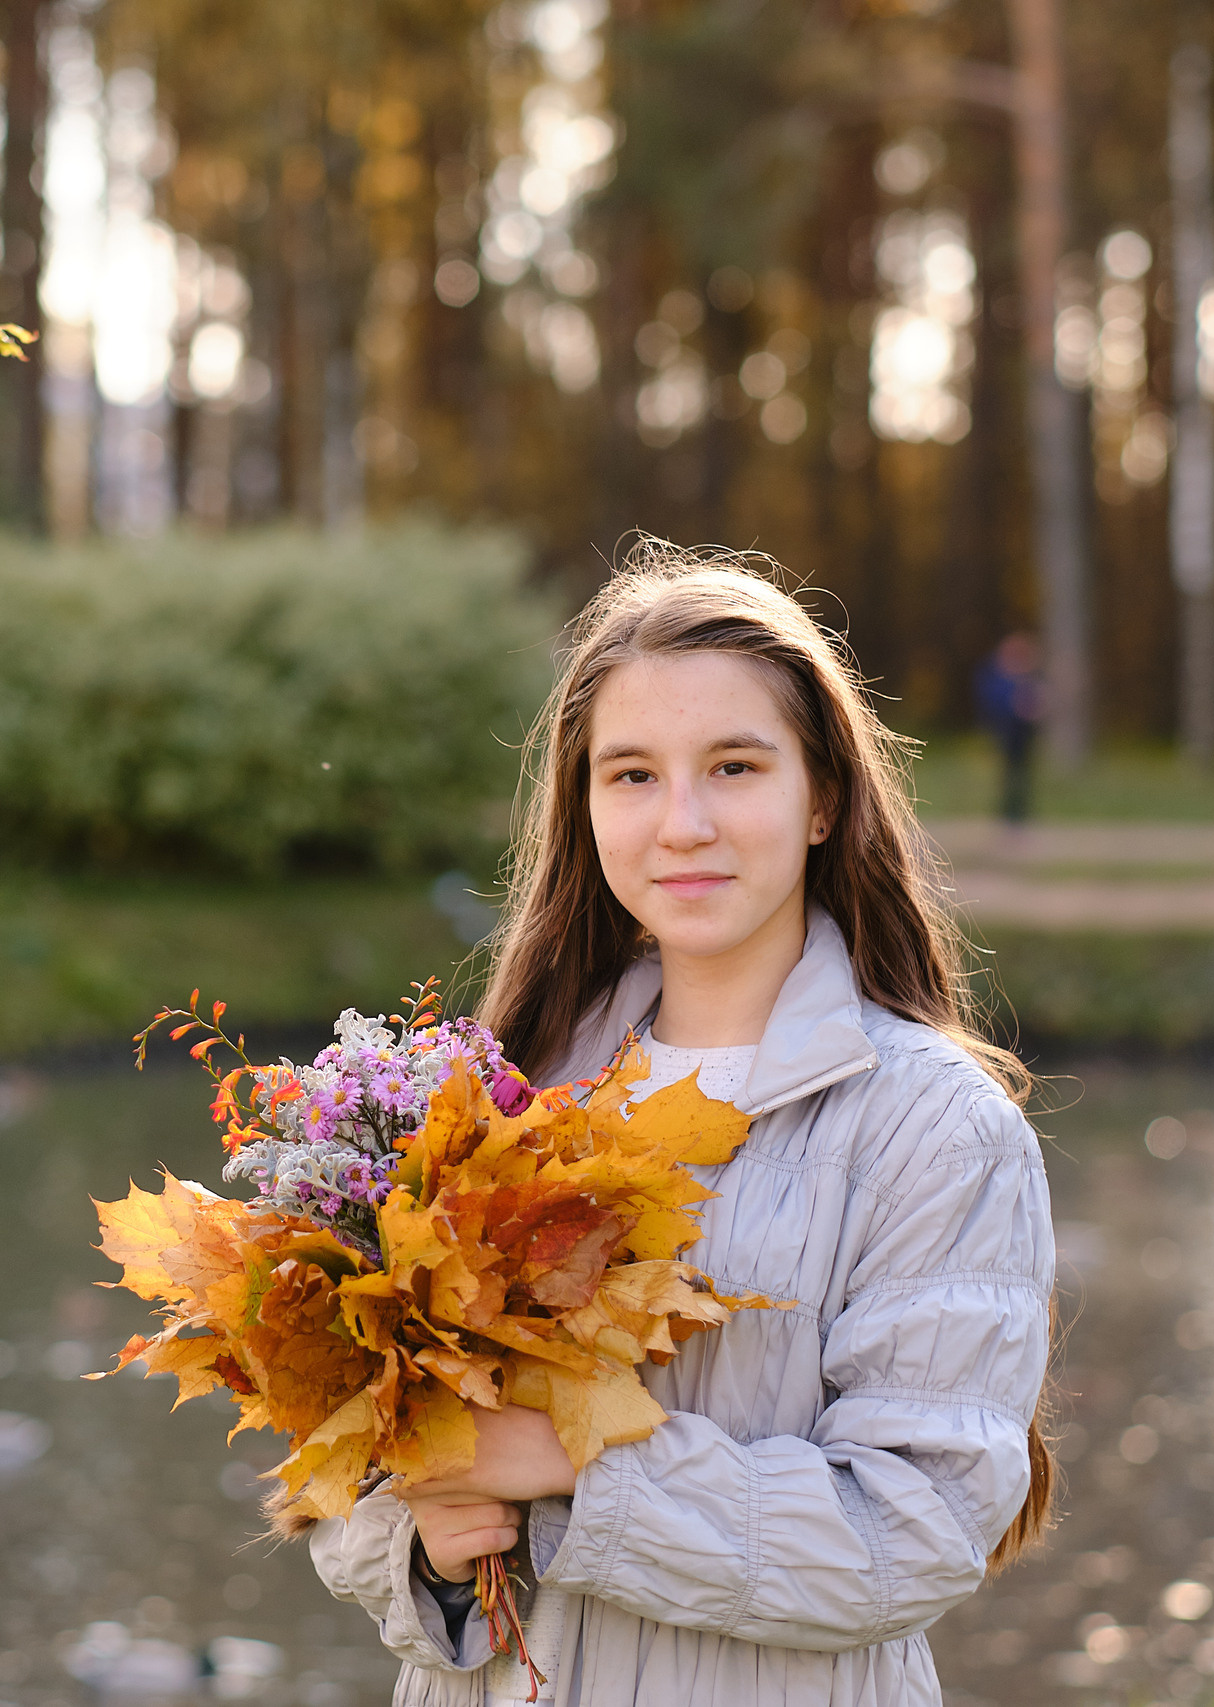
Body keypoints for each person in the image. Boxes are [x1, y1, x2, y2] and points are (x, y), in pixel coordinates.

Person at [306, 544, 1057, 1706]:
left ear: (822, 800)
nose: (683, 823)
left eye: (735, 767)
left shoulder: (933, 1127)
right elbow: (352, 1483)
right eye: (633, 775)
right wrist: (424, 1553)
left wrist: (574, 1467)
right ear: (584, 806)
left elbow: (916, 1529)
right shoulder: (499, 1097)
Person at [973, 632, 1044, 824]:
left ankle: (1018, 816)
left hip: (1022, 734)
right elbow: (993, 704)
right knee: (1009, 777)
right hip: (1006, 733)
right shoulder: (997, 677)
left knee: (1021, 777)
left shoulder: (1025, 677)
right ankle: (1009, 816)